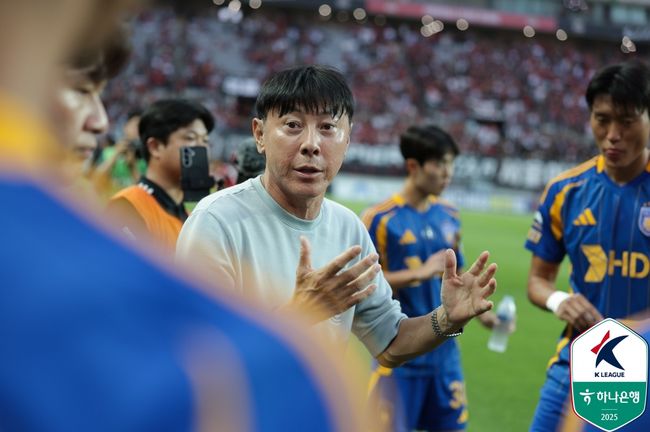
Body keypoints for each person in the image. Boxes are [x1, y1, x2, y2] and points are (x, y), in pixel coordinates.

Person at [0, 3, 380, 431]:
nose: (198, 150)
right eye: (189, 139)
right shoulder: (132, 216)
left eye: (203, 141)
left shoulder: (192, 209)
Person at [177, 65, 499, 369]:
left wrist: (446, 318)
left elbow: (390, 341)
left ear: (348, 139)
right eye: (293, 125)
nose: (311, 145)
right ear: (259, 134)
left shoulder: (348, 228)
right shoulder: (216, 222)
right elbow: (193, 357)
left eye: (328, 127)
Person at [525, 60, 650, 431]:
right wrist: (559, 300)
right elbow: (538, 281)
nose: (612, 135)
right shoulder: (565, 192)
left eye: (626, 121)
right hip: (580, 360)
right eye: (602, 119)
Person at [362, 124, 501, 432]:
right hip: (399, 355)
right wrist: (420, 272)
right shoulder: (379, 219)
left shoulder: (450, 215)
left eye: (451, 163)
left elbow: (458, 277)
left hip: (445, 356)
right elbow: (364, 284)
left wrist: (483, 316)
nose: (447, 173)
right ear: (414, 166)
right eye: (440, 163)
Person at [107, 98, 214, 250]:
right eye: (191, 138)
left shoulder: (193, 214)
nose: (202, 149)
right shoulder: (127, 207)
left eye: (205, 141)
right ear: (155, 147)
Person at [95, 108, 146, 192]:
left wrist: (132, 166)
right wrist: (115, 154)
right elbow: (96, 179)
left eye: (142, 128)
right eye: (135, 126)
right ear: (125, 127)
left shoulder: (146, 157)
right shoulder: (107, 152)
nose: (138, 131)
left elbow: (144, 189)